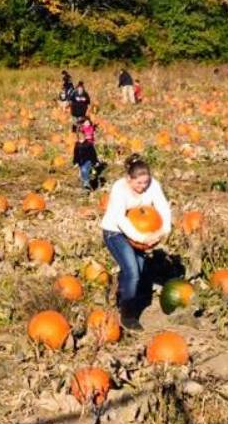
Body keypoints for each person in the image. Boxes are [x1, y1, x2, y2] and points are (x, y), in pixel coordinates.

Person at [99, 154, 172, 329]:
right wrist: (142, 238)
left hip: (139, 233)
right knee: (132, 272)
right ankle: (128, 315)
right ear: (128, 179)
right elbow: (119, 219)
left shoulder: (153, 185)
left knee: (137, 269)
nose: (143, 187)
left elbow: (162, 206)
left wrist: (164, 230)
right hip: (115, 232)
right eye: (138, 183)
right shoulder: (119, 188)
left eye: (145, 183)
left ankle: (118, 292)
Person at [73, 117, 98, 189]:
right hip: (81, 161)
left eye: (83, 137)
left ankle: (86, 182)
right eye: (80, 137)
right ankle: (86, 180)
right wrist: (75, 162)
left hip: (88, 160)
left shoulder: (88, 144)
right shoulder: (77, 145)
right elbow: (76, 154)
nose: (81, 138)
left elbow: (93, 153)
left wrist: (95, 161)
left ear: (84, 137)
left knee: (84, 169)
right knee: (83, 171)